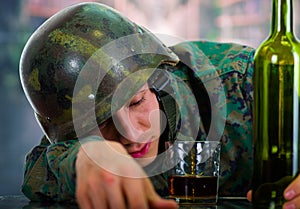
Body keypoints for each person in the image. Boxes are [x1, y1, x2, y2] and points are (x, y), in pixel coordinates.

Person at [19, 2, 300, 209]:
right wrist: (84, 162)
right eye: (101, 122)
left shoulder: (245, 82)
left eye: (137, 101)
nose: (132, 134)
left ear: (155, 78)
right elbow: (39, 167)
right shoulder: (72, 119)